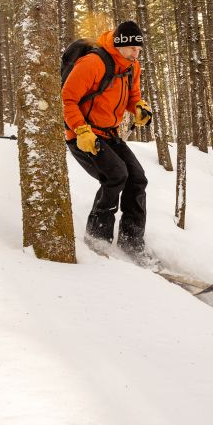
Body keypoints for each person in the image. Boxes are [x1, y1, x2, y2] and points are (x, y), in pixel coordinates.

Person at [62, 20, 153, 255]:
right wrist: (81, 131)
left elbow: (133, 94)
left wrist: (139, 107)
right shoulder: (92, 63)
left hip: (109, 134)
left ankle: (132, 242)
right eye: (133, 49)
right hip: (82, 135)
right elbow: (67, 99)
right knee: (116, 175)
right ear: (121, 44)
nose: (137, 53)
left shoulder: (133, 66)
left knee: (137, 179)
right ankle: (97, 239)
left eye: (139, 50)